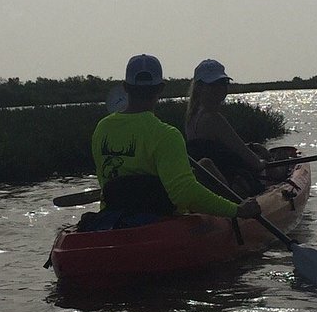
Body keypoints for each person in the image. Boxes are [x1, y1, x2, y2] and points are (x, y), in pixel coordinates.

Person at [86, 54, 261, 230]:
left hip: (112, 220)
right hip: (157, 222)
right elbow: (185, 194)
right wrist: (236, 210)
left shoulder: (102, 128)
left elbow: (105, 180)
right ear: (161, 88)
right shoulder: (166, 134)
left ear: (124, 87)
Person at [185, 58, 271, 197]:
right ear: (199, 87)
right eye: (213, 84)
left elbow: (217, 149)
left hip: (215, 182)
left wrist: (252, 146)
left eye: (223, 83)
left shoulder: (191, 117)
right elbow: (253, 162)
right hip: (230, 186)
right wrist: (264, 162)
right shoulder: (214, 119)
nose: (220, 88)